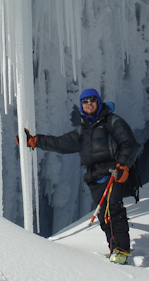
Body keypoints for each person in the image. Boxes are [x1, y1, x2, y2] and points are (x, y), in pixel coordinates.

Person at [18, 88, 139, 264]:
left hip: (113, 171)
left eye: (92, 100)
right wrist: (35, 141)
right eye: (85, 101)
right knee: (104, 215)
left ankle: (121, 250)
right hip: (94, 177)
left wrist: (123, 165)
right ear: (81, 106)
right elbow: (60, 143)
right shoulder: (84, 131)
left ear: (98, 102)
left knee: (113, 208)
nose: (89, 103)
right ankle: (114, 248)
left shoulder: (112, 121)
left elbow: (129, 143)